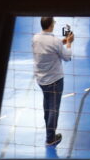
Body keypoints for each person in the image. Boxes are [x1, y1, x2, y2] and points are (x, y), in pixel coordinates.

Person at [32, 16, 74, 147]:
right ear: (51, 25)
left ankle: (49, 132)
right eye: (54, 22)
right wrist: (69, 43)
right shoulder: (54, 41)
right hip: (55, 80)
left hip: (41, 80)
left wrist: (62, 42)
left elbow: (48, 48)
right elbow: (67, 57)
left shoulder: (36, 38)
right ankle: (50, 138)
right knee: (54, 109)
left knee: (47, 106)